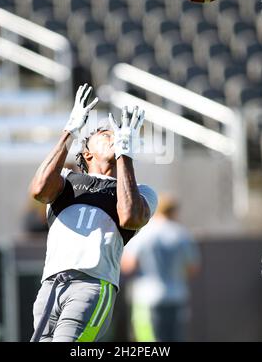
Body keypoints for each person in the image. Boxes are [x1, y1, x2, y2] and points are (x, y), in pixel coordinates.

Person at [29, 83, 158, 342]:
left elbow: (130, 217)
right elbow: (39, 190)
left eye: (115, 133)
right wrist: (70, 130)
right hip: (51, 287)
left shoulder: (142, 192)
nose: (113, 133)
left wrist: (125, 155)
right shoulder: (66, 180)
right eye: (103, 132)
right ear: (86, 152)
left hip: (91, 285)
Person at [121, 193, 200, 342]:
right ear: (174, 211)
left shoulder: (143, 232)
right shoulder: (182, 234)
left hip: (147, 297)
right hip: (177, 296)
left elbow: (128, 265)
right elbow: (192, 268)